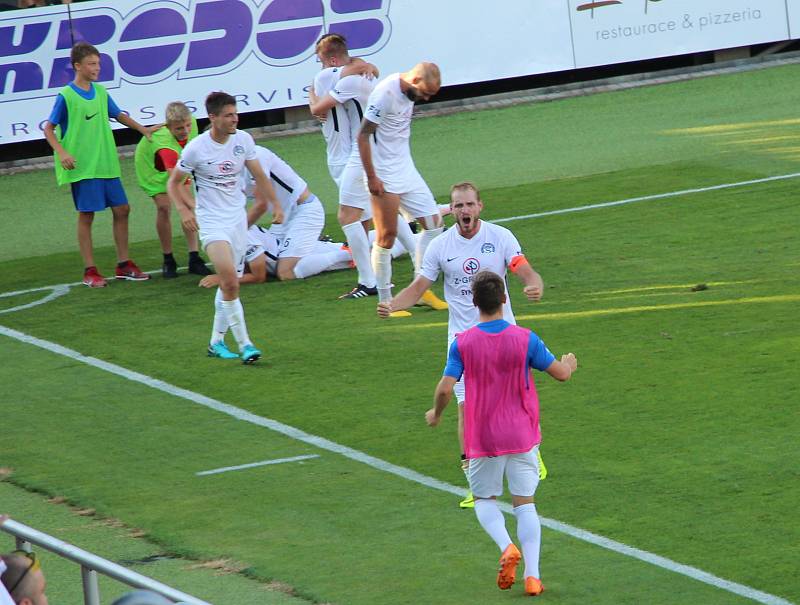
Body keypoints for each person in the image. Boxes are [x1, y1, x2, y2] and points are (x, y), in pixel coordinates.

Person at [379, 182, 546, 507]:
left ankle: (533, 452)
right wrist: (394, 304)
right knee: (466, 408)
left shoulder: (500, 237)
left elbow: (523, 269)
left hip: (504, 337)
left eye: (470, 205)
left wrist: (534, 283)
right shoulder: (441, 246)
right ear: (452, 210)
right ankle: (474, 481)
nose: (465, 211)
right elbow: (420, 285)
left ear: (480, 207)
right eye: (459, 206)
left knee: (516, 399)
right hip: (463, 342)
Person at [427, 271, 577, 596]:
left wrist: (436, 414)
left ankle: (507, 546)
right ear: (505, 300)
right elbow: (561, 374)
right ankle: (533, 577)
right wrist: (569, 362)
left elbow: (444, 388)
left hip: (483, 437)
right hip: (522, 433)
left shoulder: (462, 343)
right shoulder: (526, 338)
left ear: (473, 302)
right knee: (525, 504)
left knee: (484, 499)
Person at [168, 91, 278, 364]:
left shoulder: (243, 140)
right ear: (213, 117)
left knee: (228, 287)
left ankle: (216, 342)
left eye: (235, 113)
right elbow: (173, 183)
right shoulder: (196, 148)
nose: (234, 119)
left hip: (238, 222)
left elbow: (259, 175)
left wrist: (276, 205)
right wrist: (183, 210)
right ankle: (246, 345)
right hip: (212, 222)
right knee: (230, 281)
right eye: (228, 115)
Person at [43, 41, 156, 287]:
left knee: (122, 209)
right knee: (87, 215)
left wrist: (143, 129)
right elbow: (49, 128)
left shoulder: (101, 91)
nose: (97, 68)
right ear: (77, 66)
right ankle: (90, 271)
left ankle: (124, 264)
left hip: (106, 163)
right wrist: (62, 152)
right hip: (83, 166)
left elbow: (118, 114)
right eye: (92, 64)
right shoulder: (66, 96)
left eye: (98, 64)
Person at [357, 61, 448, 314]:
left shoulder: (409, 91)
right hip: (383, 175)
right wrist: (372, 177)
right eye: (426, 93)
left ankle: (419, 290)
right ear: (416, 81)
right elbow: (363, 136)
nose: (427, 99)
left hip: (406, 170)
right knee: (386, 238)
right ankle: (386, 303)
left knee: (434, 224)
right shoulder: (384, 95)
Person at [134, 101, 212, 278]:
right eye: (179, 128)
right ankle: (168, 259)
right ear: (169, 128)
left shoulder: (190, 123)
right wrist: (192, 206)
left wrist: (191, 206)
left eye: (187, 125)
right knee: (164, 207)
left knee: (190, 207)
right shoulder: (164, 144)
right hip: (152, 170)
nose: (185, 130)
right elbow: (174, 182)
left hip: (179, 163)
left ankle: (194, 257)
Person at [240, 145, 324, 281]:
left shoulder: (256, 157)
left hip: (303, 210)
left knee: (285, 271)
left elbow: (261, 205)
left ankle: (348, 254)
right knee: (274, 258)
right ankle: (346, 244)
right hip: (282, 219)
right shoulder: (230, 167)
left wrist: (235, 233)